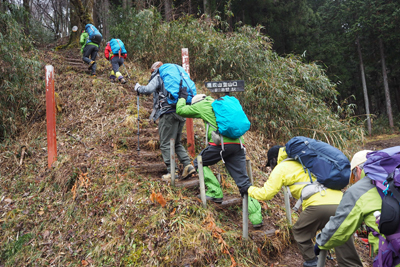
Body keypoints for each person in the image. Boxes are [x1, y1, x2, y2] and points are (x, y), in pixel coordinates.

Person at [247, 145, 362, 267]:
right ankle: (351, 264)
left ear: (273, 160)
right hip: (340, 202)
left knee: (299, 231)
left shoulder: (281, 168)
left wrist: (248, 189)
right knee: (341, 236)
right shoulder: (306, 161)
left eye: (271, 165)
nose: (271, 168)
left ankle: (312, 261)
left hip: (318, 205)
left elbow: (266, 193)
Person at [175, 92, 263, 228]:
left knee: (199, 162)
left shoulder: (201, 105)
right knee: (243, 182)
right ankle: (257, 218)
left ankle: (215, 192)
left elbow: (181, 110)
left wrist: (181, 98)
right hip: (238, 145)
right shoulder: (217, 104)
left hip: (221, 144)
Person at [315, 150, 400, 267]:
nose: (355, 181)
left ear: (358, 170)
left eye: (354, 176)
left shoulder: (359, 190)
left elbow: (339, 227)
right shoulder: (394, 180)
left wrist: (321, 242)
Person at [134, 61, 195, 180]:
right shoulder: (176, 76)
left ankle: (172, 171)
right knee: (176, 142)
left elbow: (148, 89)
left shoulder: (159, 75)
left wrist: (138, 88)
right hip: (181, 111)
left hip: (168, 113)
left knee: (166, 143)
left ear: (154, 69)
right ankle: (187, 165)